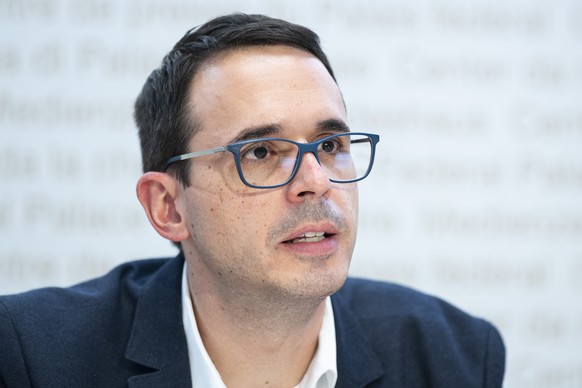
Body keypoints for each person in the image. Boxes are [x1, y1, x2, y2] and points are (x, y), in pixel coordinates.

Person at [0, 13, 505, 388]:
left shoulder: (451, 357)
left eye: (330, 146)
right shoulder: (34, 355)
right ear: (168, 208)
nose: (316, 181)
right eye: (261, 151)